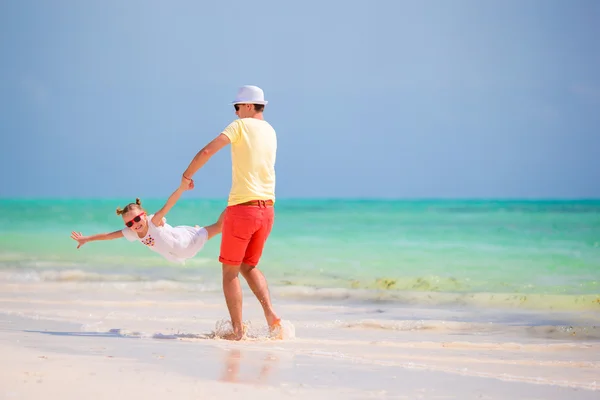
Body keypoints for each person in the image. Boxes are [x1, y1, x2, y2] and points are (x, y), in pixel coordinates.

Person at [180, 85, 280, 340]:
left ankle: (238, 331)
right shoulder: (270, 131)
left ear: (248, 106)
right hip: (267, 210)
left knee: (230, 272)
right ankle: (271, 315)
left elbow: (207, 151)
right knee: (250, 266)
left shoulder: (239, 127)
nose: (235, 113)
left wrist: (188, 174)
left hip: (243, 210)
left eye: (237, 107)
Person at [70, 182, 224, 264]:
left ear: (144, 215)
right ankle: (198, 229)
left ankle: (236, 205)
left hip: (186, 241)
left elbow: (169, 204)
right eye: (130, 223)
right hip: (178, 254)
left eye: (137, 218)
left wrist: (182, 188)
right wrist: (87, 239)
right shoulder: (132, 232)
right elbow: (109, 236)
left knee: (219, 227)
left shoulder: (153, 222)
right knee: (214, 228)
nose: (135, 224)